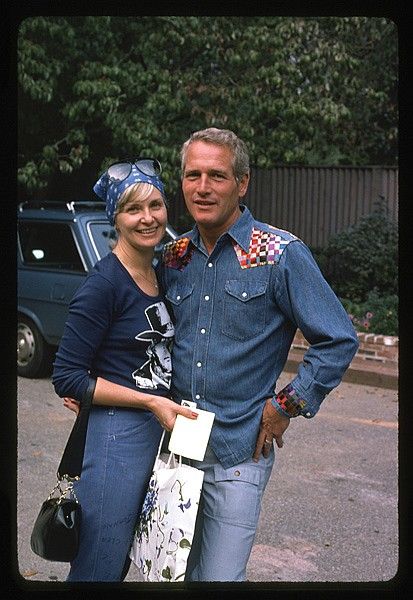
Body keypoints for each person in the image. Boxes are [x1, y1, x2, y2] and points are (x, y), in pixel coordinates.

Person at [159, 128, 359, 582]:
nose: (203, 187)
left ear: (242, 183)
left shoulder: (278, 254)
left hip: (238, 451)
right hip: (175, 453)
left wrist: (288, 404)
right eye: (193, 175)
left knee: (221, 579)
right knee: (172, 575)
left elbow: (339, 339)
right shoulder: (173, 256)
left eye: (217, 175)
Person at [52, 158, 197, 582]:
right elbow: (68, 376)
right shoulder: (103, 285)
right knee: (99, 564)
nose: (147, 218)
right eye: (134, 209)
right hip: (117, 439)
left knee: (131, 563)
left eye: (155, 205)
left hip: (157, 433)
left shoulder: (159, 274)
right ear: (115, 217)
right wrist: (148, 399)